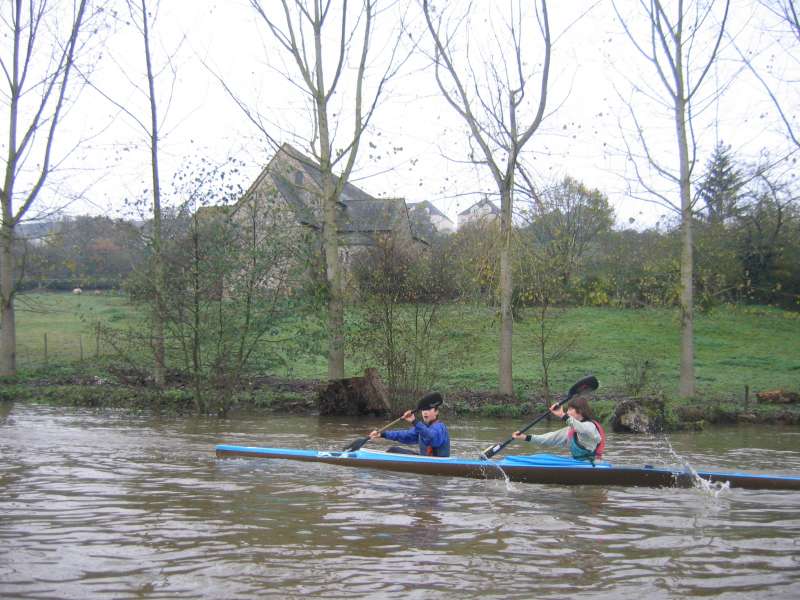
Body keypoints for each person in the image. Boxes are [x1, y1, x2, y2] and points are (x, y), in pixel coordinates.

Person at [512, 396, 606, 465]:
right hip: (577, 463)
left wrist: (562, 415)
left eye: (570, 410)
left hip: (594, 464)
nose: (567, 412)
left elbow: (582, 429)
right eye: (567, 410)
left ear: (580, 411)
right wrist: (525, 437)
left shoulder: (590, 426)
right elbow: (549, 438)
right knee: (544, 457)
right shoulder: (570, 430)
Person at [369, 392, 450, 457]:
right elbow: (405, 435)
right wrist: (382, 434)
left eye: (429, 409)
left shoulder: (440, 427)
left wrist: (414, 421)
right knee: (393, 450)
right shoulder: (421, 428)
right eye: (423, 410)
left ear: (436, 412)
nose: (425, 412)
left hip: (439, 462)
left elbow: (431, 437)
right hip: (424, 460)